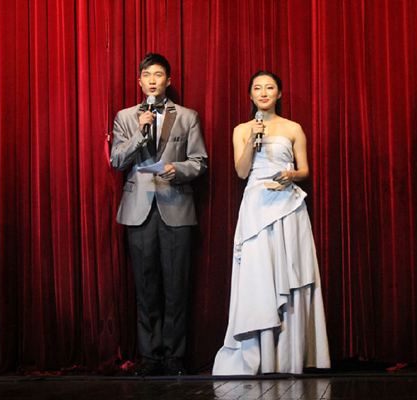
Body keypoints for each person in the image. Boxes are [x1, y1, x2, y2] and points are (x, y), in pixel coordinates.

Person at [212, 71, 330, 375]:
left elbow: (304, 170)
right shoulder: (242, 130)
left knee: (288, 272)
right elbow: (241, 172)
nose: (263, 92)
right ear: (250, 94)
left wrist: (291, 175)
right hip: (256, 206)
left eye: (269, 87)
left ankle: (291, 357)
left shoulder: (293, 128)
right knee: (259, 274)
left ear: (279, 93)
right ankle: (259, 355)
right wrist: (253, 140)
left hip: (288, 205)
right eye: (257, 88)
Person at [110, 53, 208, 377]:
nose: (152, 80)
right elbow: (117, 160)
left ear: (168, 80)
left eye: (158, 75)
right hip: (138, 210)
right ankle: (150, 356)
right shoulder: (126, 117)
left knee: (176, 286)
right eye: (147, 75)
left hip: (175, 207)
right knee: (146, 287)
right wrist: (140, 132)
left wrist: (177, 170)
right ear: (139, 81)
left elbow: (199, 161)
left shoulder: (187, 116)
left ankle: (174, 356)